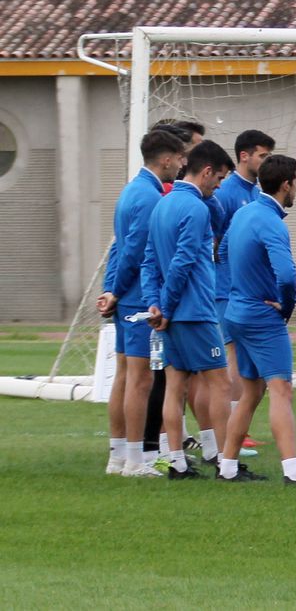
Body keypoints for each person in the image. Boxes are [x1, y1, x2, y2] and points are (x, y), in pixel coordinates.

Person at [218, 154, 296, 484]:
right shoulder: (272, 221)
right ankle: (293, 471)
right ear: (286, 184)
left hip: (235, 312)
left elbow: (223, 253)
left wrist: (242, 287)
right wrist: (284, 308)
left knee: (250, 393)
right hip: (261, 316)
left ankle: (227, 468)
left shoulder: (243, 213)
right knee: (281, 389)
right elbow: (287, 276)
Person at [95, 127, 188, 477]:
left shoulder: (131, 190)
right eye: (180, 158)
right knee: (140, 380)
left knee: (123, 376)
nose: (182, 164)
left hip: (124, 297)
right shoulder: (150, 197)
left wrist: (110, 290)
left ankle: (118, 455)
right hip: (136, 300)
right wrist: (117, 292)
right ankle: (135, 459)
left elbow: (119, 247)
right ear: (165, 159)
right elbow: (134, 252)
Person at [141, 139, 233, 478]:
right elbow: (182, 263)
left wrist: (155, 304)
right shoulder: (196, 209)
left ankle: (176, 461)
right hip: (193, 310)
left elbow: (149, 260)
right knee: (221, 383)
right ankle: (227, 463)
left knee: (175, 384)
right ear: (207, 172)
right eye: (220, 179)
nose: (219, 187)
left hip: (170, 312)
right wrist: (164, 305)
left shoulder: (163, 204)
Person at [214, 129, 274, 456]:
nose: (265, 162)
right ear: (244, 156)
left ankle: (240, 428)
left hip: (248, 292)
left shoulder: (256, 193)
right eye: (262, 156)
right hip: (226, 290)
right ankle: (234, 432)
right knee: (233, 358)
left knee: (249, 361)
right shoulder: (226, 193)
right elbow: (212, 240)